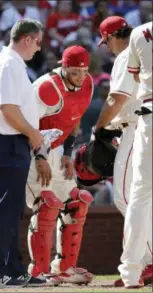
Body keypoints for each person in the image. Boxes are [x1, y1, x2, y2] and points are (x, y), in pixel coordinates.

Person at [0, 18, 47, 289]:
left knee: (11, 208)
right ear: (28, 39)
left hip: (9, 141)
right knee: (7, 209)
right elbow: (8, 109)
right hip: (7, 141)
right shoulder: (8, 64)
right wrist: (33, 133)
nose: (39, 49)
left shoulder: (9, 62)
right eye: (38, 42)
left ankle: (12, 270)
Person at [26, 45, 95, 285]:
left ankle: (65, 267)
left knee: (78, 201)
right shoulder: (47, 87)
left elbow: (74, 118)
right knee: (46, 204)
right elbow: (29, 124)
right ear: (63, 67)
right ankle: (39, 270)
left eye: (84, 71)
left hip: (59, 148)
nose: (80, 77)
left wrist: (68, 153)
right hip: (36, 147)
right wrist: (40, 156)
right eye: (75, 72)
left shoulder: (88, 84)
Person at [93, 18, 152, 288]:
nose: (107, 48)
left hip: (137, 127)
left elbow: (116, 98)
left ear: (114, 36)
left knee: (128, 198)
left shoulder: (128, 52)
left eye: (106, 42)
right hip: (138, 123)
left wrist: (99, 128)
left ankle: (145, 261)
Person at [118, 21, 152, 289]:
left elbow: (137, 75)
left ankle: (131, 272)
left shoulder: (140, 31)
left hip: (150, 116)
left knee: (141, 193)